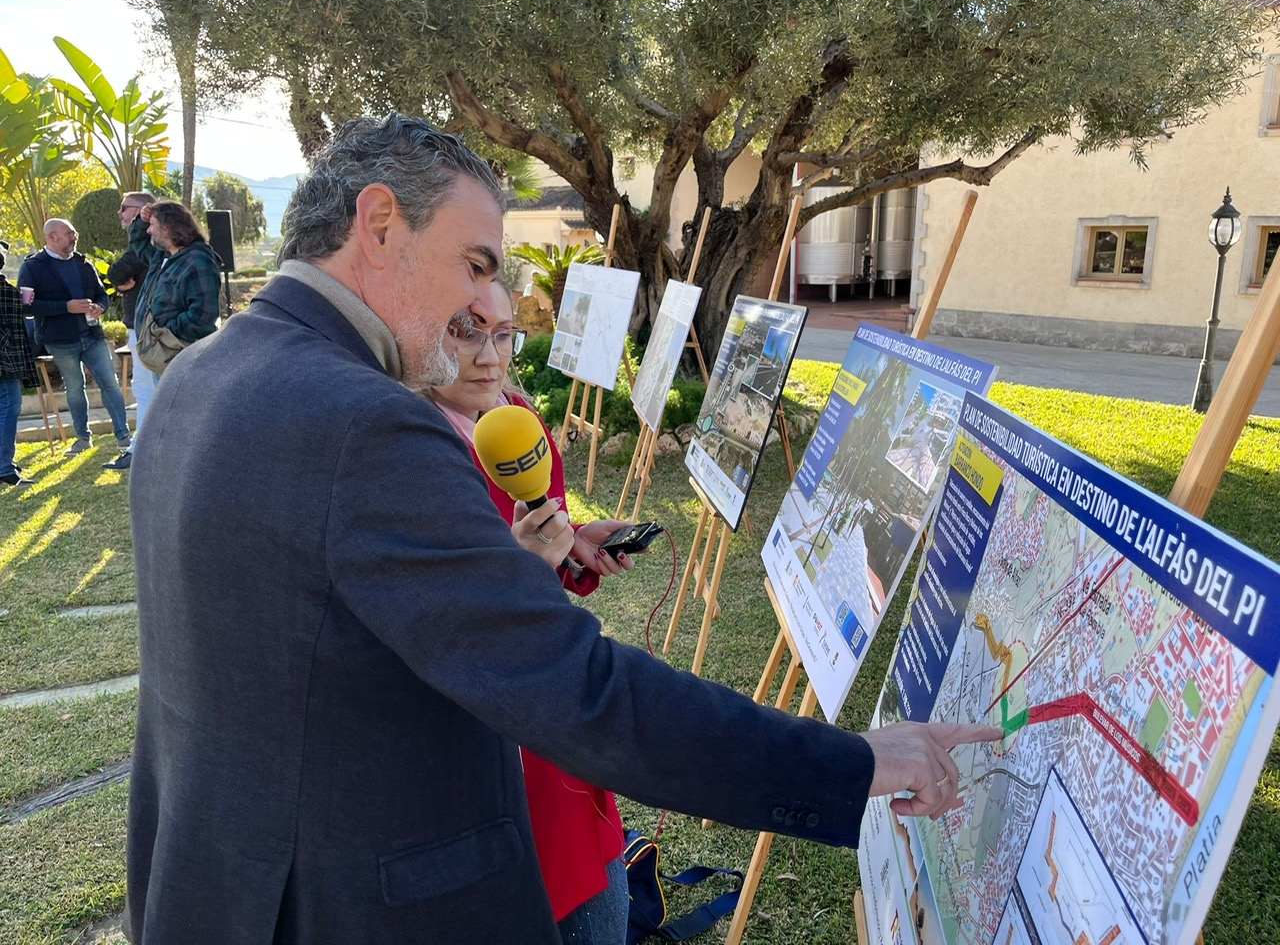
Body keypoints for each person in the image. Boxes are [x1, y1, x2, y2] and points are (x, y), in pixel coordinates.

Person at [125, 113, 1000, 945]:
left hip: (219, 885)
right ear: (380, 222)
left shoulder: (204, 371)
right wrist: (852, 764)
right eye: (473, 265)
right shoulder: (367, 423)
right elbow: (578, 692)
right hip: (351, 902)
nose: (483, 303)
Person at [427, 280, 637, 942]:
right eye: (465, 329)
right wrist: (521, 570)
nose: (490, 355)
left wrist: (572, 544)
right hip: (478, 757)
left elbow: (542, 540)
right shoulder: (404, 453)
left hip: (559, 736)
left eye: (504, 332)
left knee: (597, 907)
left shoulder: (521, 421)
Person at [105, 199, 221, 470]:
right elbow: (139, 244)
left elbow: (203, 314)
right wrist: (141, 220)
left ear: (168, 227)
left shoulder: (198, 260)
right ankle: (176, 465)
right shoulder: (163, 257)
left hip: (180, 356)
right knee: (170, 414)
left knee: (185, 416)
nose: (149, 232)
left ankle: (193, 467)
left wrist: (169, 335)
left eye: (153, 226)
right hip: (164, 357)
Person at [17, 218, 132, 456]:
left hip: (92, 335)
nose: (75, 236)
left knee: (109, 383)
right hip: (60, 340)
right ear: (52, 237)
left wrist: (100, 307)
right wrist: (65, 307)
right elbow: (26, 306)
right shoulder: (33, 267)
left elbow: (103, 295)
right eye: (70, 233)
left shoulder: (83, 263)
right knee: (75, 388)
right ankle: (83, 438)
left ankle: (124, 437)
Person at [105, 191, 157, 470]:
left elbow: (116, 272)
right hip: (147, 326)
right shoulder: (154, 240)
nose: (120, 215)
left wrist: (120, 279)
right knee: (146, 387)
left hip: (147, 327)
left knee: (146, 389)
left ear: (140, 210)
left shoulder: (146, 240)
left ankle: (141, 451)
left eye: (123, 209)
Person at [1, 240, 38, 487]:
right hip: (4, 354)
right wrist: (22, 301)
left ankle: (5, 463)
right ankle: (3, 466)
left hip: (7, 353)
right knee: (10, 404)